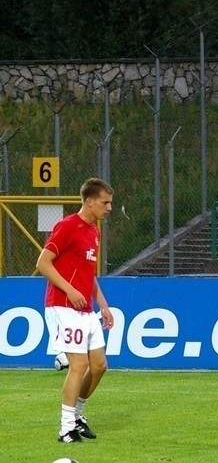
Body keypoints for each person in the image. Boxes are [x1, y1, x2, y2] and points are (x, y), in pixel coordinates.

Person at [36, 177, 115, 443]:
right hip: (63, 305)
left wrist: (103, 305)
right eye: (105, 202)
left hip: (86, 309)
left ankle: (78, 416)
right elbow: (44, 263)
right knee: (79, 365)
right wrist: (69, 289)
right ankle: (65, 427)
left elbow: (88, 274)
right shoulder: (67, 226)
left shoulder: (94, 232)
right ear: (90, 201)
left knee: (100, 366)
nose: (109, 208)